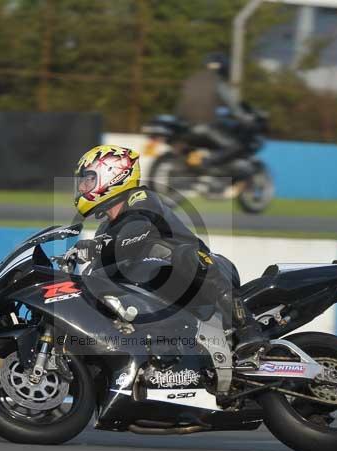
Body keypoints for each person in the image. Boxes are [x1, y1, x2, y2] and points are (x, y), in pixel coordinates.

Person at [70, 144, 269, 366]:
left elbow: (137, 229)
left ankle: (247, 328)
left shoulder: (141, 199)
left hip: (205, 273)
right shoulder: (104, 230)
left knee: (185, 255)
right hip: (168, 300)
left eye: (88, 178)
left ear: (113, 174)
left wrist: (96, 247)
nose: (82, 185)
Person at [174, 52, 256, 170]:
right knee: (235, 146)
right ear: (224, 68)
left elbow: (181, 103)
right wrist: (245, 118)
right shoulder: (217, 82)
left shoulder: (192, 79)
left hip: (182, 126)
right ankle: (206, 165)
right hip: (202, 126)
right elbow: (232, 105)